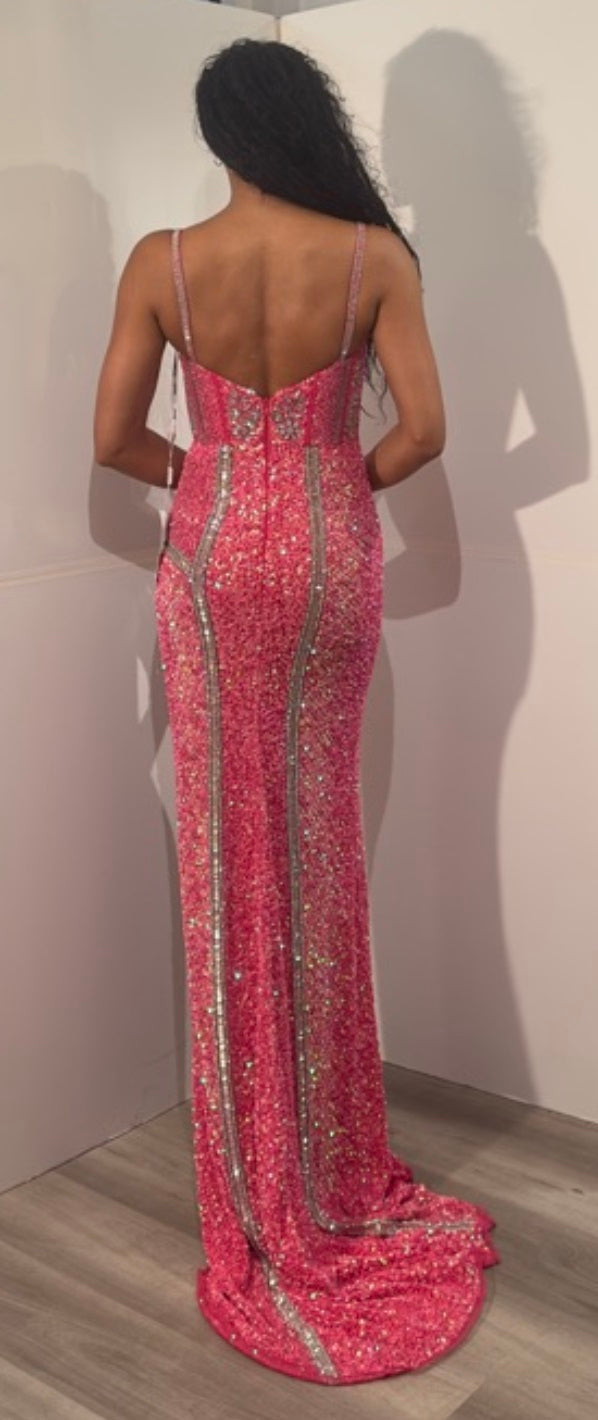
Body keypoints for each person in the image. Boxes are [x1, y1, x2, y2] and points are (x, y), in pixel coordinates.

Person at [93, 37, 499, 1386]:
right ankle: (330, 1164)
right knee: (320, 854)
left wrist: (216, 474)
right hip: (328, 557)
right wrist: (327, 479)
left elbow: (110, 440)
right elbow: (425, 429)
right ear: (303, 128)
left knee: (228, 865)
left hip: (212, 565)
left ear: (222, 139)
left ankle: (259, 1184)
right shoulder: (373, 257)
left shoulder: (161, 261)